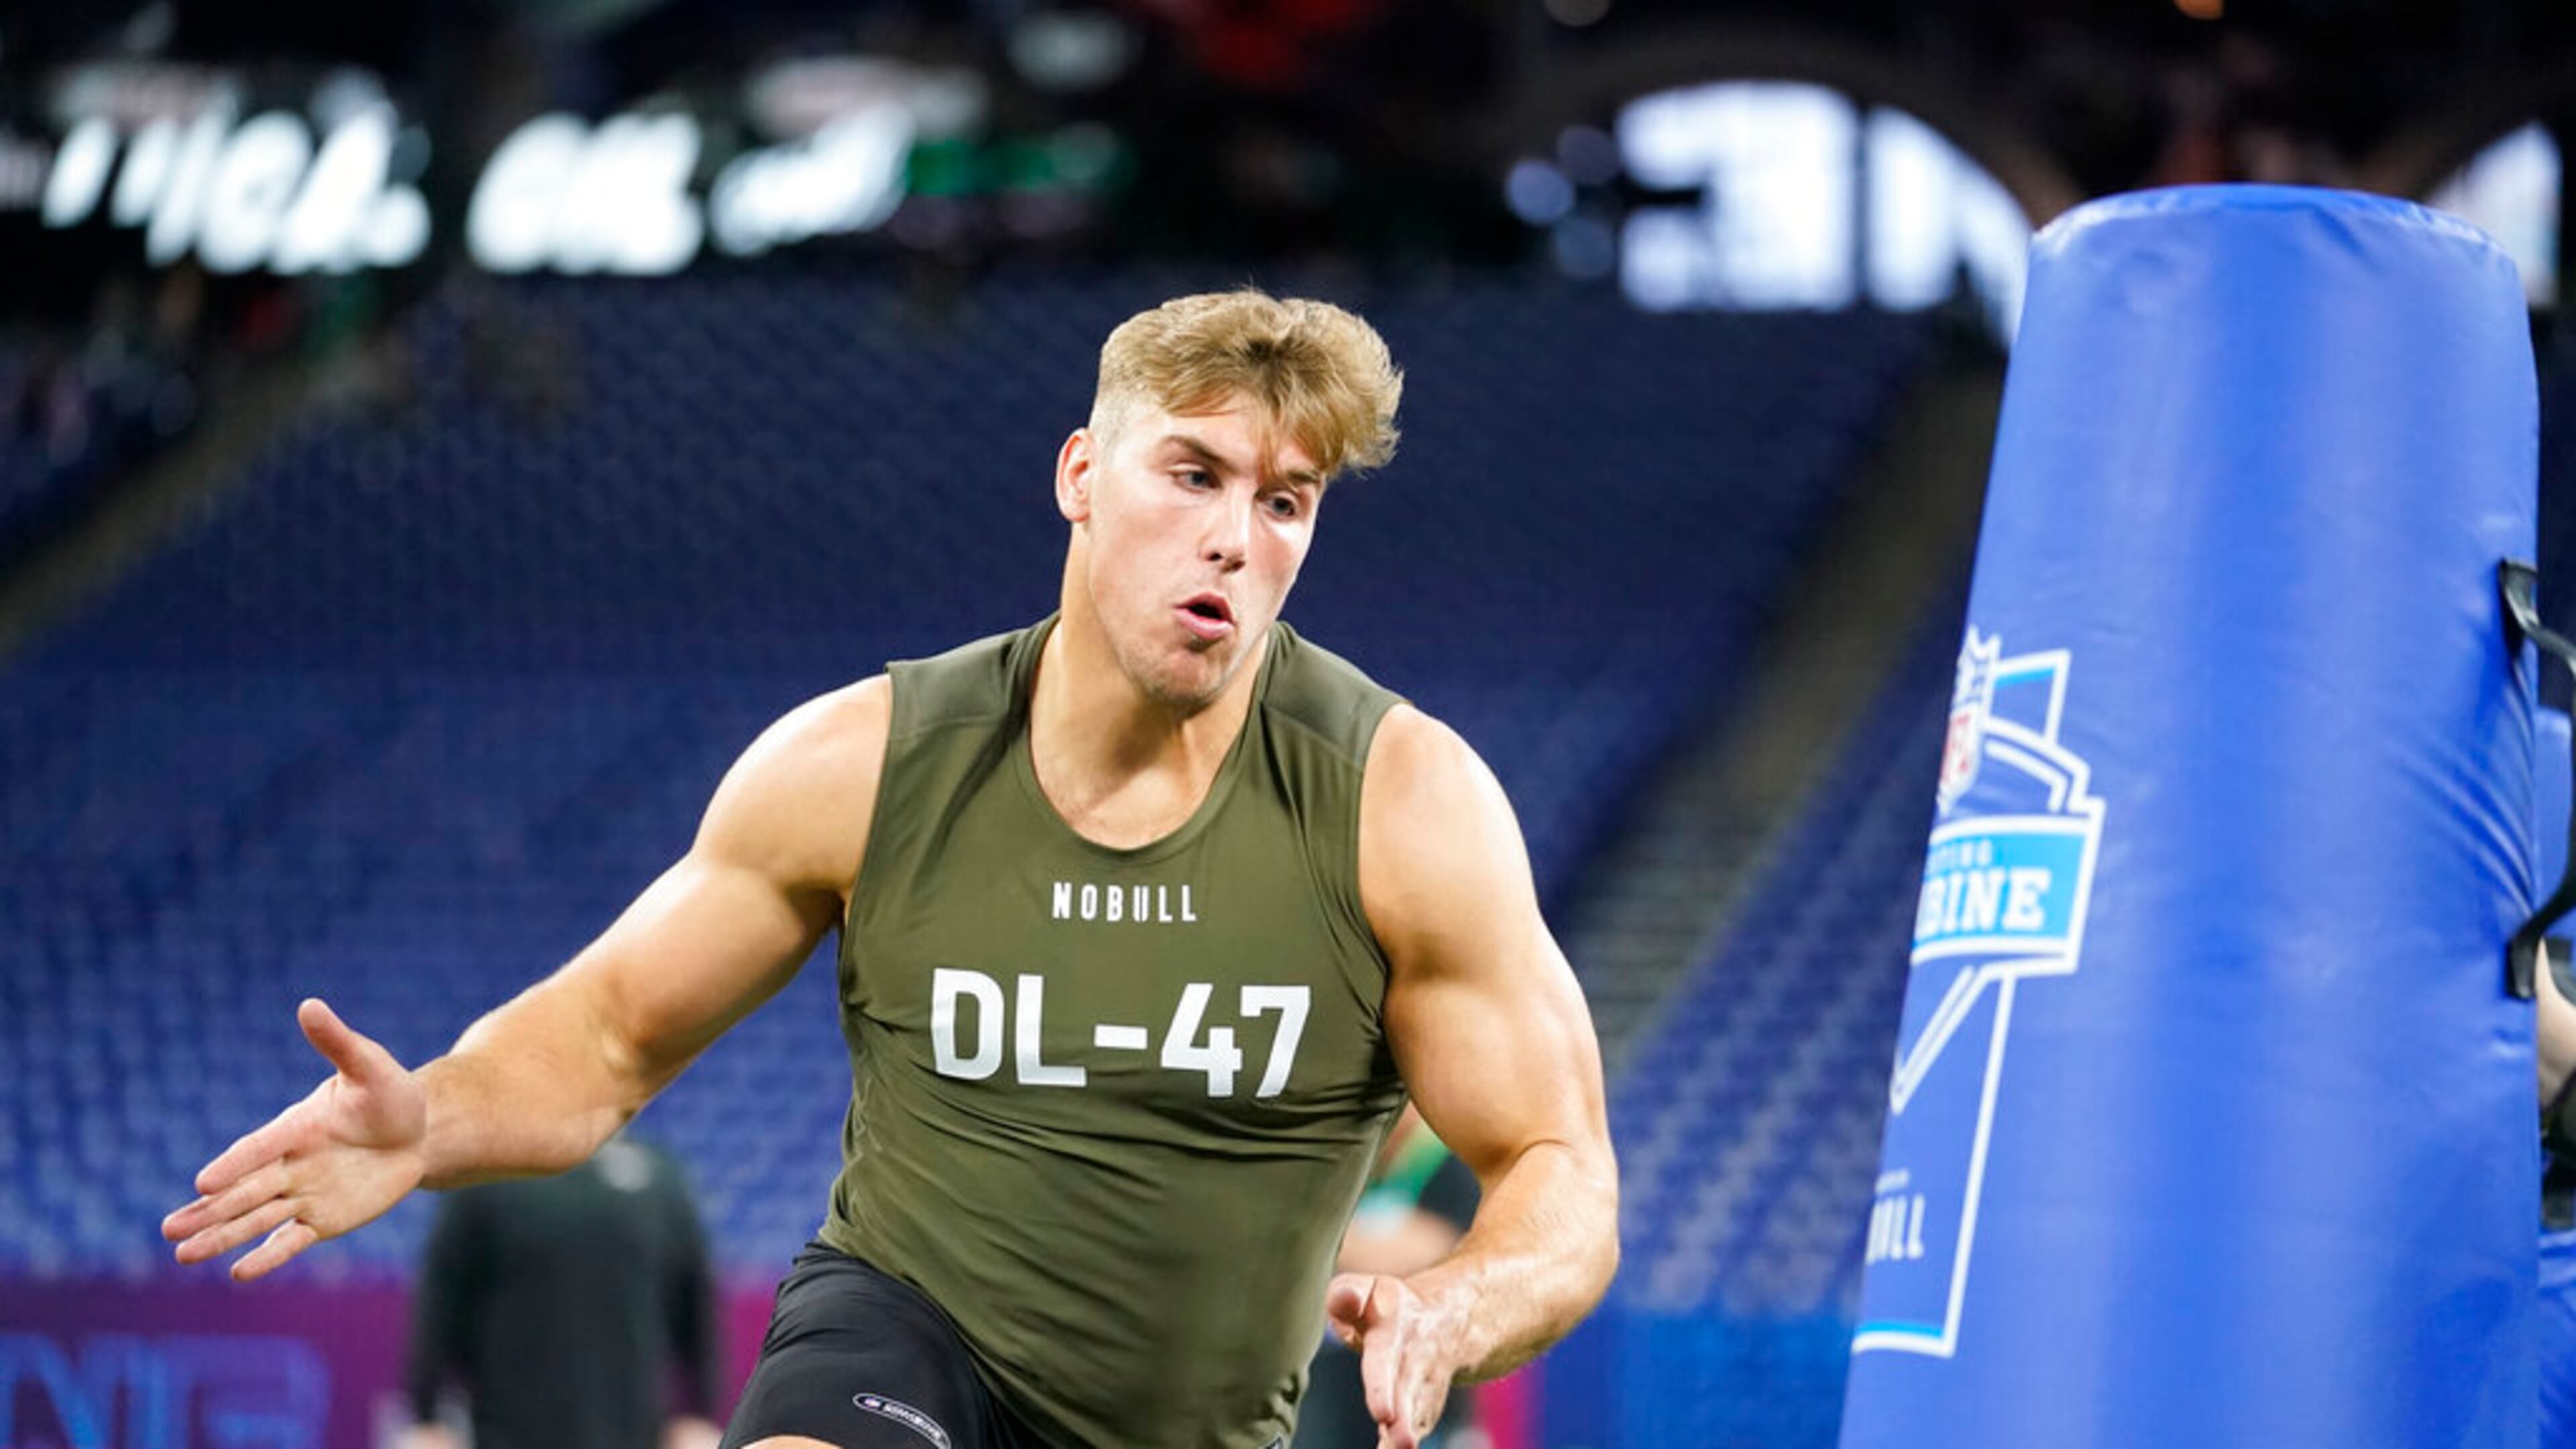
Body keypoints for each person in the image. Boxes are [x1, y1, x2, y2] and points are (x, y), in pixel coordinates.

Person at [162, 289, 1620, 1449]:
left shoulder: (1400, 801)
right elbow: (604, 1037)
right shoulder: (866, 763)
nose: (1235, 539)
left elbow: (1562, 1173)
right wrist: (431, 1120)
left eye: (1287, 501)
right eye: (1193, 473)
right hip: (902, 1340)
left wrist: (1464, 1301)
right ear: (1082, 477)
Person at [402, 1134, 723, 1449]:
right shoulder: (489, 1173)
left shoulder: (658, 1177)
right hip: (506, 1433)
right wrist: (426, 1417)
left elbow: (696, 1310)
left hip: (631, 1433)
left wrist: (698, 1415)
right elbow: (441, 1302)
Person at [1293, 1108, 1481, 1449]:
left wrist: (1317, 1232)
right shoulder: (1355, 1166)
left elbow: (1433, 1250)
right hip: (1337, 1404)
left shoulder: (1452, 1163)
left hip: (1421, 1411)